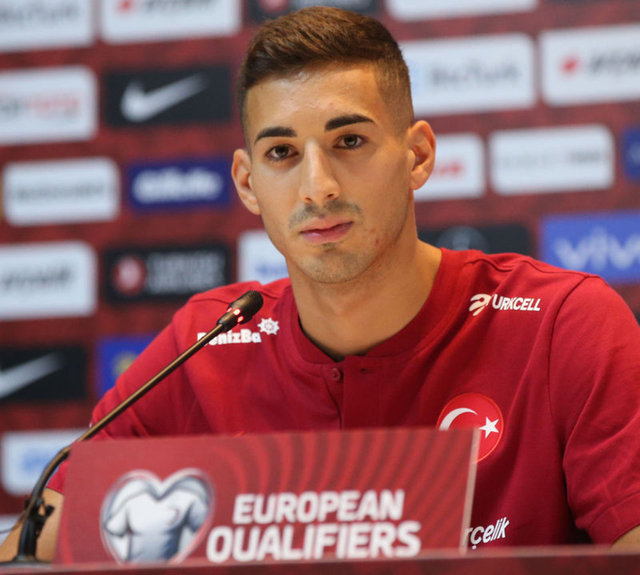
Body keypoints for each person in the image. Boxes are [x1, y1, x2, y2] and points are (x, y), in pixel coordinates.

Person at [2, 5, 640, 563]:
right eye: (282, 153)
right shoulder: (205, 344)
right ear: (248, 183)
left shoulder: (563, 324)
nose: (318, 188)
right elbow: (37, 545)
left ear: (417, 155)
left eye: (349, 141)